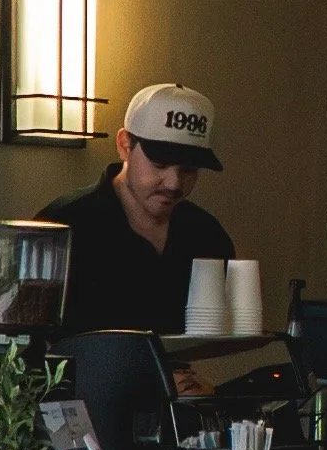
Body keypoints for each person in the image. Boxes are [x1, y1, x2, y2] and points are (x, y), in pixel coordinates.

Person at [42, 83, 233, 334]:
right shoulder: (65, 226)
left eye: (189, 170)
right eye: (159, 164)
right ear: (124, 145)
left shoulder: (206, 235)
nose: (174, 183)